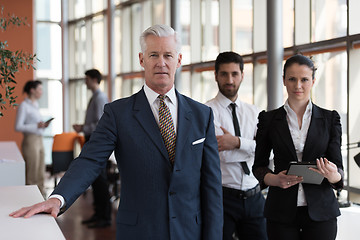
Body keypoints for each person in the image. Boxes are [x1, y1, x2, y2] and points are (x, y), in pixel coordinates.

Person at [10, 24, 223, 240]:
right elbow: (90, 160)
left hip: (189, 231)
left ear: (178, 60)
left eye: (168, 55)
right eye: (153, 55)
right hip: (139, 232)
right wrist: (58, 198)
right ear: (142, 60)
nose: (161, 62)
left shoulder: (201, 114)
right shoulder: (118, 113)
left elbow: (212, 186)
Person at [252, 54, 344, 240]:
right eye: (292, 79)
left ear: (313, 81)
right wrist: (273, 179)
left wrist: (333, 175)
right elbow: (258, 166)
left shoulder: (330, 119)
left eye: (304, 79)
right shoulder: (268, 120)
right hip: (281, 211)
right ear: (284, 80)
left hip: (321, 211)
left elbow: (338, 169)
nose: (298, 85)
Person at [206, 51, 267, 240]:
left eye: (234, 74)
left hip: (254, 196)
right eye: (224, 74)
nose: (229, 79)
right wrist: (251, 148)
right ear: (215, 75)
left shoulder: (255, 113)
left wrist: (237, 142)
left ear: (242, 75)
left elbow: (268, 153)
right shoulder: (206, 112)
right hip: (223, 198)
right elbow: (221, 154)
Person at [72, 69, 111, 228]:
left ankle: (105, 217)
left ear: (94, 79)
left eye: (87, 79)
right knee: (95, 179)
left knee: (100, 180)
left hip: (97, 141)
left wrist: (83, 127)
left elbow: (102, 124)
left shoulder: (100, 98)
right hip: (92, 139)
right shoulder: (95, 97)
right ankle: (98, 214)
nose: (85, 82)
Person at [15, 80, 50, 196]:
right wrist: (36, 126)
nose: (42, 92)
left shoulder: (35, 105)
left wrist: (42, 126)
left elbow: (36, 125)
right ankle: (31, 198)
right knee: (32, 171)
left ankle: (41, 197)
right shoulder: (24, 106)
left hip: (39, 139)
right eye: (39, 89)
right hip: (30, 140)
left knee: (40, 170)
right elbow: (18, 126)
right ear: (32, 90)